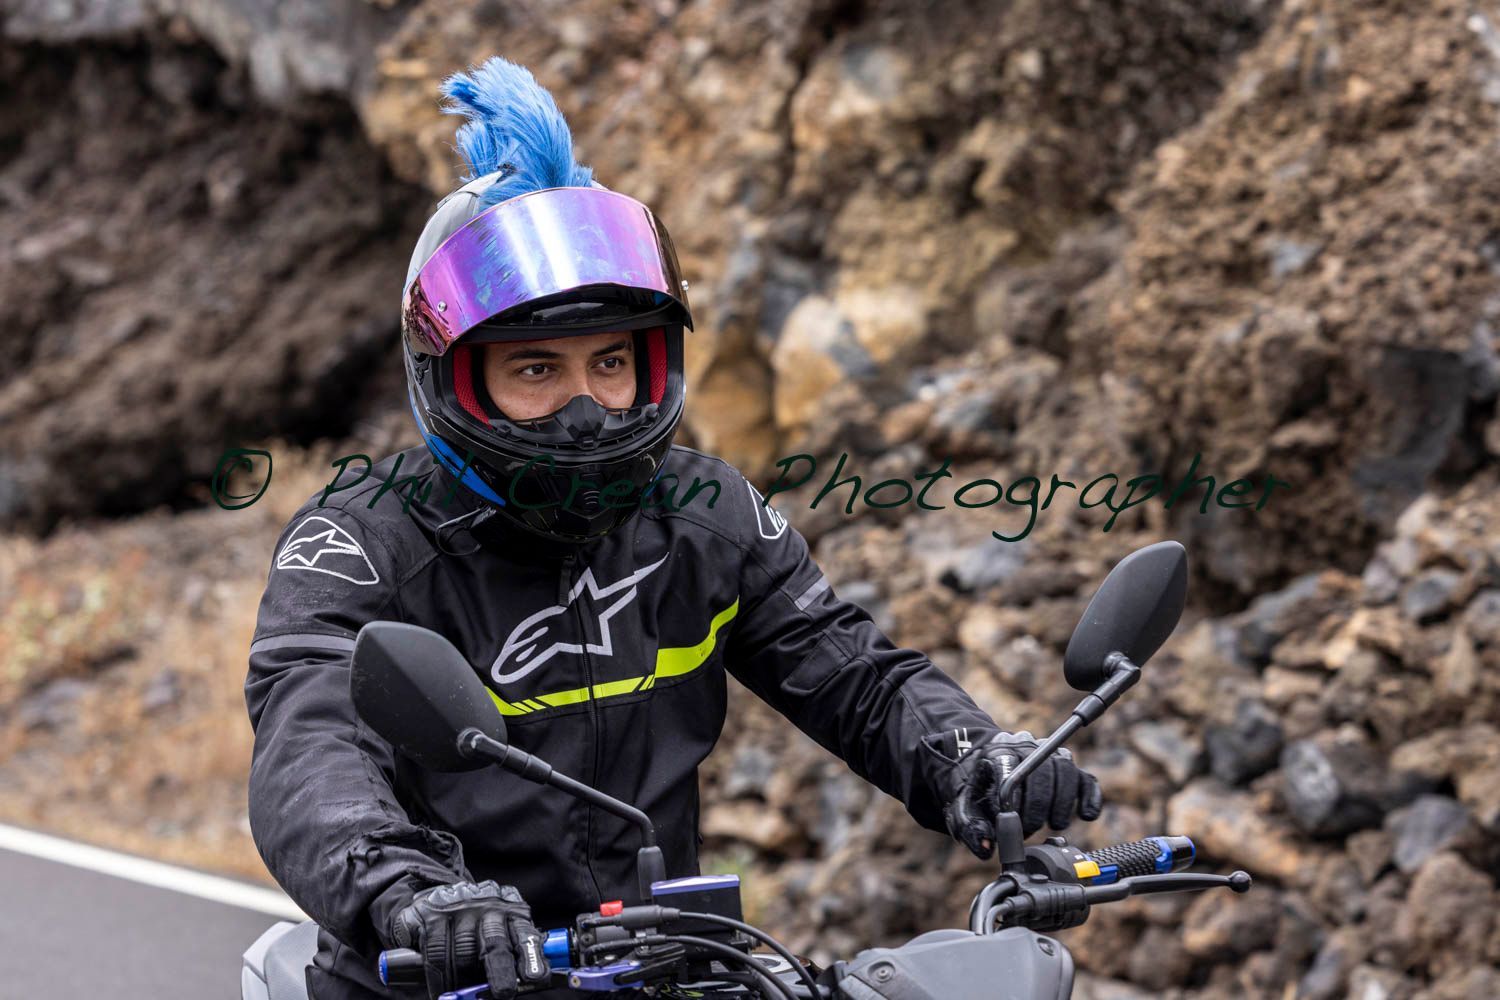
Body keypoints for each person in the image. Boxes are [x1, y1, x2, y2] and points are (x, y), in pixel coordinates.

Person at [244, 56, 1101, 1000]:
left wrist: (975, 759)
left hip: (665, 968)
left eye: (610, 362)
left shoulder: (704, 516)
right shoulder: (362, 546)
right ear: (451, 375)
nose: (586, 408)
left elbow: (851, 672)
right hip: (429, 974)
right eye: (535, 371)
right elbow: (310, 743)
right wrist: (408, 892)